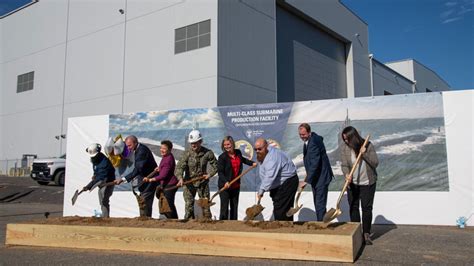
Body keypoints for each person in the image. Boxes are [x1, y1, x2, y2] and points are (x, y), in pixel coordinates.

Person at [341, 126, 379, 245]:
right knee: (353, 207)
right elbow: (344, 165)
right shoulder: (345, 148)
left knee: (366, 208)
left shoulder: (367, 146)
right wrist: (346, 174)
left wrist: (364, 154)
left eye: (347, 139)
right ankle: (356, 232)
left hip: (367, 183)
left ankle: (366, 233)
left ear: (354, 137)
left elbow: (375, 163)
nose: (346, 141)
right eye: (344, 139)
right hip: (353, 183)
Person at [175, 129, 218, 219]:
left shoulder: (208, 153)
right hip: (189, 183)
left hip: (203, 183)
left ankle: (207, 226)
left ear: (200, 141)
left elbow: (216, 166)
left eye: (195, 142)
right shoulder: (186, 154)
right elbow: (179, 167)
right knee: (189, 207)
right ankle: (190, 227)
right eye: (191, 143)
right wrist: (180, 178)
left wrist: (209, 175)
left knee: (205, 207)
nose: (193, 145)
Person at [254, 138, 298, 221]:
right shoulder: (265, 153)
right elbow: (265, 173)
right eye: (255, 149)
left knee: (280, 209)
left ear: (266, 146)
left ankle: (282, 229)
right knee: (283, 208)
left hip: (287, 182)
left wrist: (262, 189)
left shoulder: (272, 157)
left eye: (259, 149)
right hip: (280, 183)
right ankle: (287, 227)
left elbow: (270, 176)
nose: (257, 151)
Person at [114, 135, 158, 217]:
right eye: (126, 146)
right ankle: (144, 219)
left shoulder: (142, 151)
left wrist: (122, 179)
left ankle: (146, 220)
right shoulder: (138, 149)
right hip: (144, 178)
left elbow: (138, 169)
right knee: (143, 199)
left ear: (135, 143)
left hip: (149, 179)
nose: (128, 148)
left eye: (129, 145)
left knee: (145, 200)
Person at [297, 123, 334, 221]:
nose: (302, 137)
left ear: (309, 132)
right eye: (300, 135)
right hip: (316, 176)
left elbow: (315, 163)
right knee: (318, 202)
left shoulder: (313, 142)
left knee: (319, 203)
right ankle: (322, 222)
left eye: (303, 134)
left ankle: (321, 225)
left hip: (321, 177)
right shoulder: (312, 138)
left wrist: (306, 180)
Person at [217, 136, 256, 220]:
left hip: (235, 185)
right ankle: (223, 226)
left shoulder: (238, 152)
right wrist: (226, 182)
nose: (227, 146)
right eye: (225, 145)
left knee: (234, 207)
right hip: (225, 186)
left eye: (228, 144)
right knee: (224, 208)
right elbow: (220, 172)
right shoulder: (222, 157)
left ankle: (234, 225)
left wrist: (252, 163)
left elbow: (243, 160)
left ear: (232, 144)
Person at [143, 140, 178, 219]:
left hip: (170, 185)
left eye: (164, 148)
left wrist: (151, 180)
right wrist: (160, 168)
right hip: (168, 184)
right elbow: (165, 169)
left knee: (168, 205)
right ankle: (173, 220)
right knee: (169, 204)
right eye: (161, 148)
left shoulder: (168, 159)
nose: (162, 150)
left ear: (170, 150)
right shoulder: (167, 156)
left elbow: (163, 176)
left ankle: (174, 220)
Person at [84, 143, 116, 218]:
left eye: (94, 156)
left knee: (104, 199)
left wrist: (88, 186)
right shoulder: (95, 159)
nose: (92, 158)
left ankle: (105, 218)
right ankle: (104, 216)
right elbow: (96, 169)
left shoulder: (104, 163)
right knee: (101, 199)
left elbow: (100, 177)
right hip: (102, 181)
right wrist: (94, 174)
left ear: (98, 153)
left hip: (108, 182)